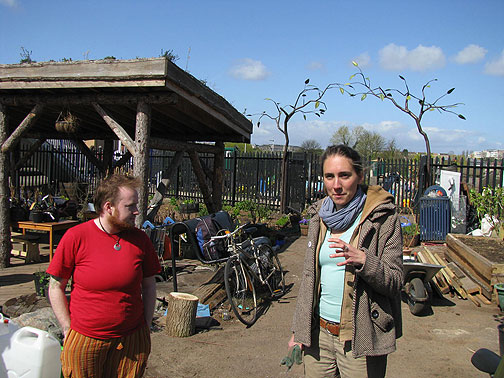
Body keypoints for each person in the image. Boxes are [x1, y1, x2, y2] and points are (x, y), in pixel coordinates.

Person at [288, 145, 403, 378]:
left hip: (358, 338)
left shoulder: (383, 219)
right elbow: (310, 279)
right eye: (329, 176)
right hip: (318, 337)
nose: (336, 185)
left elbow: (396, 280)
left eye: (344, 175)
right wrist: (298, 331)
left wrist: (365, 261)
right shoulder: (319, 216)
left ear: (360, 176)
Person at [47, 174, 161, 378]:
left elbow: (149, 285)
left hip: (131, 341)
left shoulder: (140, 240)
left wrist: (145, 325)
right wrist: (67, 328)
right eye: (130, 206)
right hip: (85, 339)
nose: (137, 211)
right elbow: (55, 286)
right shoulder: (76, 237)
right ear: (109, 207)